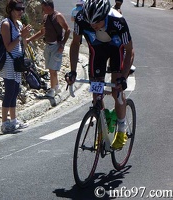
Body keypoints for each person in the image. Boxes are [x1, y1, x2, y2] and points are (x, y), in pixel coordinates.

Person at [66, 0, 134, 149]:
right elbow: (75, 43)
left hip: (117, 50)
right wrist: (72, 71)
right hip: (97, 52)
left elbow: (129, 51)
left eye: (97, 22)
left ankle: (122, 129)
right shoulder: (80, 18)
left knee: (117, 91)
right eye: (90, 22)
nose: (93, 26)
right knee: (96, 92)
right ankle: (102, 126)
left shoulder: (118, 21)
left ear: (105, 15)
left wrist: (123, 77)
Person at [0, 0, 32, 133]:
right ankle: (4, 123)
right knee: (9, 92)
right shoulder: (5, 24)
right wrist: (20, 36)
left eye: (22, 9)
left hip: (17, 62)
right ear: (11, 10)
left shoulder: (18, 24)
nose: (21, 12)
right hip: (8, 62)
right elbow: (8, 47)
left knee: (15, 91)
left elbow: (22, 43)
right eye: (18, 9)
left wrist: (24, 37)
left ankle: (13, 120)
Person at [27, 0, 70, 98]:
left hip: (56, 46)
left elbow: (67, 29)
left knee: (52, 70)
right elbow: (43, 32)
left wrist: (62, 44)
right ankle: (56, 87)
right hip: (48, 46)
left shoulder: (58, 16)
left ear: (49, 7)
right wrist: (30, 39)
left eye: (43, 7)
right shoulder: (46, 17)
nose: (42, 9)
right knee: (51, 69)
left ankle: (52, 91)